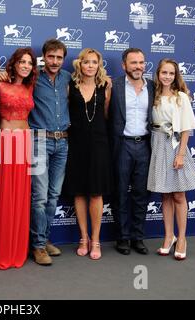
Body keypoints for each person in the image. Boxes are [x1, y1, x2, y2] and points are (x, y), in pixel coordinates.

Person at [0, 47, 37, 269]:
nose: (26, 66)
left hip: (24, 143)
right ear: (14, 64)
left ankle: (15, 248)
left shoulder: (30, 86)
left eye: (29, 63)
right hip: (3, 141)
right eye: (22, 61)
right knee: (1, 195)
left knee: (19, 196)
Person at [148, 58, 195, 260]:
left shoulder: (181, 97)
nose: (167, 77)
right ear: (158, 74)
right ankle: (168, 236)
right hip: (157, 144)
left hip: (175, 146)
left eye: (171, 73)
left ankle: (182, 239)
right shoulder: (153, 95)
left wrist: (180, 154)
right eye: (164, 73)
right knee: (165, 195)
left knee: (179, 195)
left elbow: (186, 127)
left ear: (176, 75)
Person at [64, 48, 112, 260]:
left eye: (94, 62)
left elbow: (107, 115)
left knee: (96, 193)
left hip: (99, 145)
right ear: (79, 64)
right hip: (76, 144)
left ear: (98, 65)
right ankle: (83, 237)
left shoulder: (105, 87)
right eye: (86, 62)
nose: (90, 66)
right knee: (79, 192)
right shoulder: (70, 87)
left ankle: (96, 239)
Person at [109, 48, 154, 255]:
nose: (138, 66)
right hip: (122, 145)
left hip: (145, 145)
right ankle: (123, 238)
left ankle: (138, 237)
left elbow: (174, 93)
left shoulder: (153, 87)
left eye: (141, 62)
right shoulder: (114, 86)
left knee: (141, 194)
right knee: (120, 193)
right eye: (133, 62)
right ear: (124, 65)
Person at [29, 39, 70, 266]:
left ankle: (43, 240)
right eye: (51, 57)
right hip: (38, 142)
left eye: (59, 57)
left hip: (62, 143)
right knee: (40, 197)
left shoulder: (68, 78)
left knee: (53, 196)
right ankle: (37, 246)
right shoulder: (32, 78)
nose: (55, 61)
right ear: (44, 57)